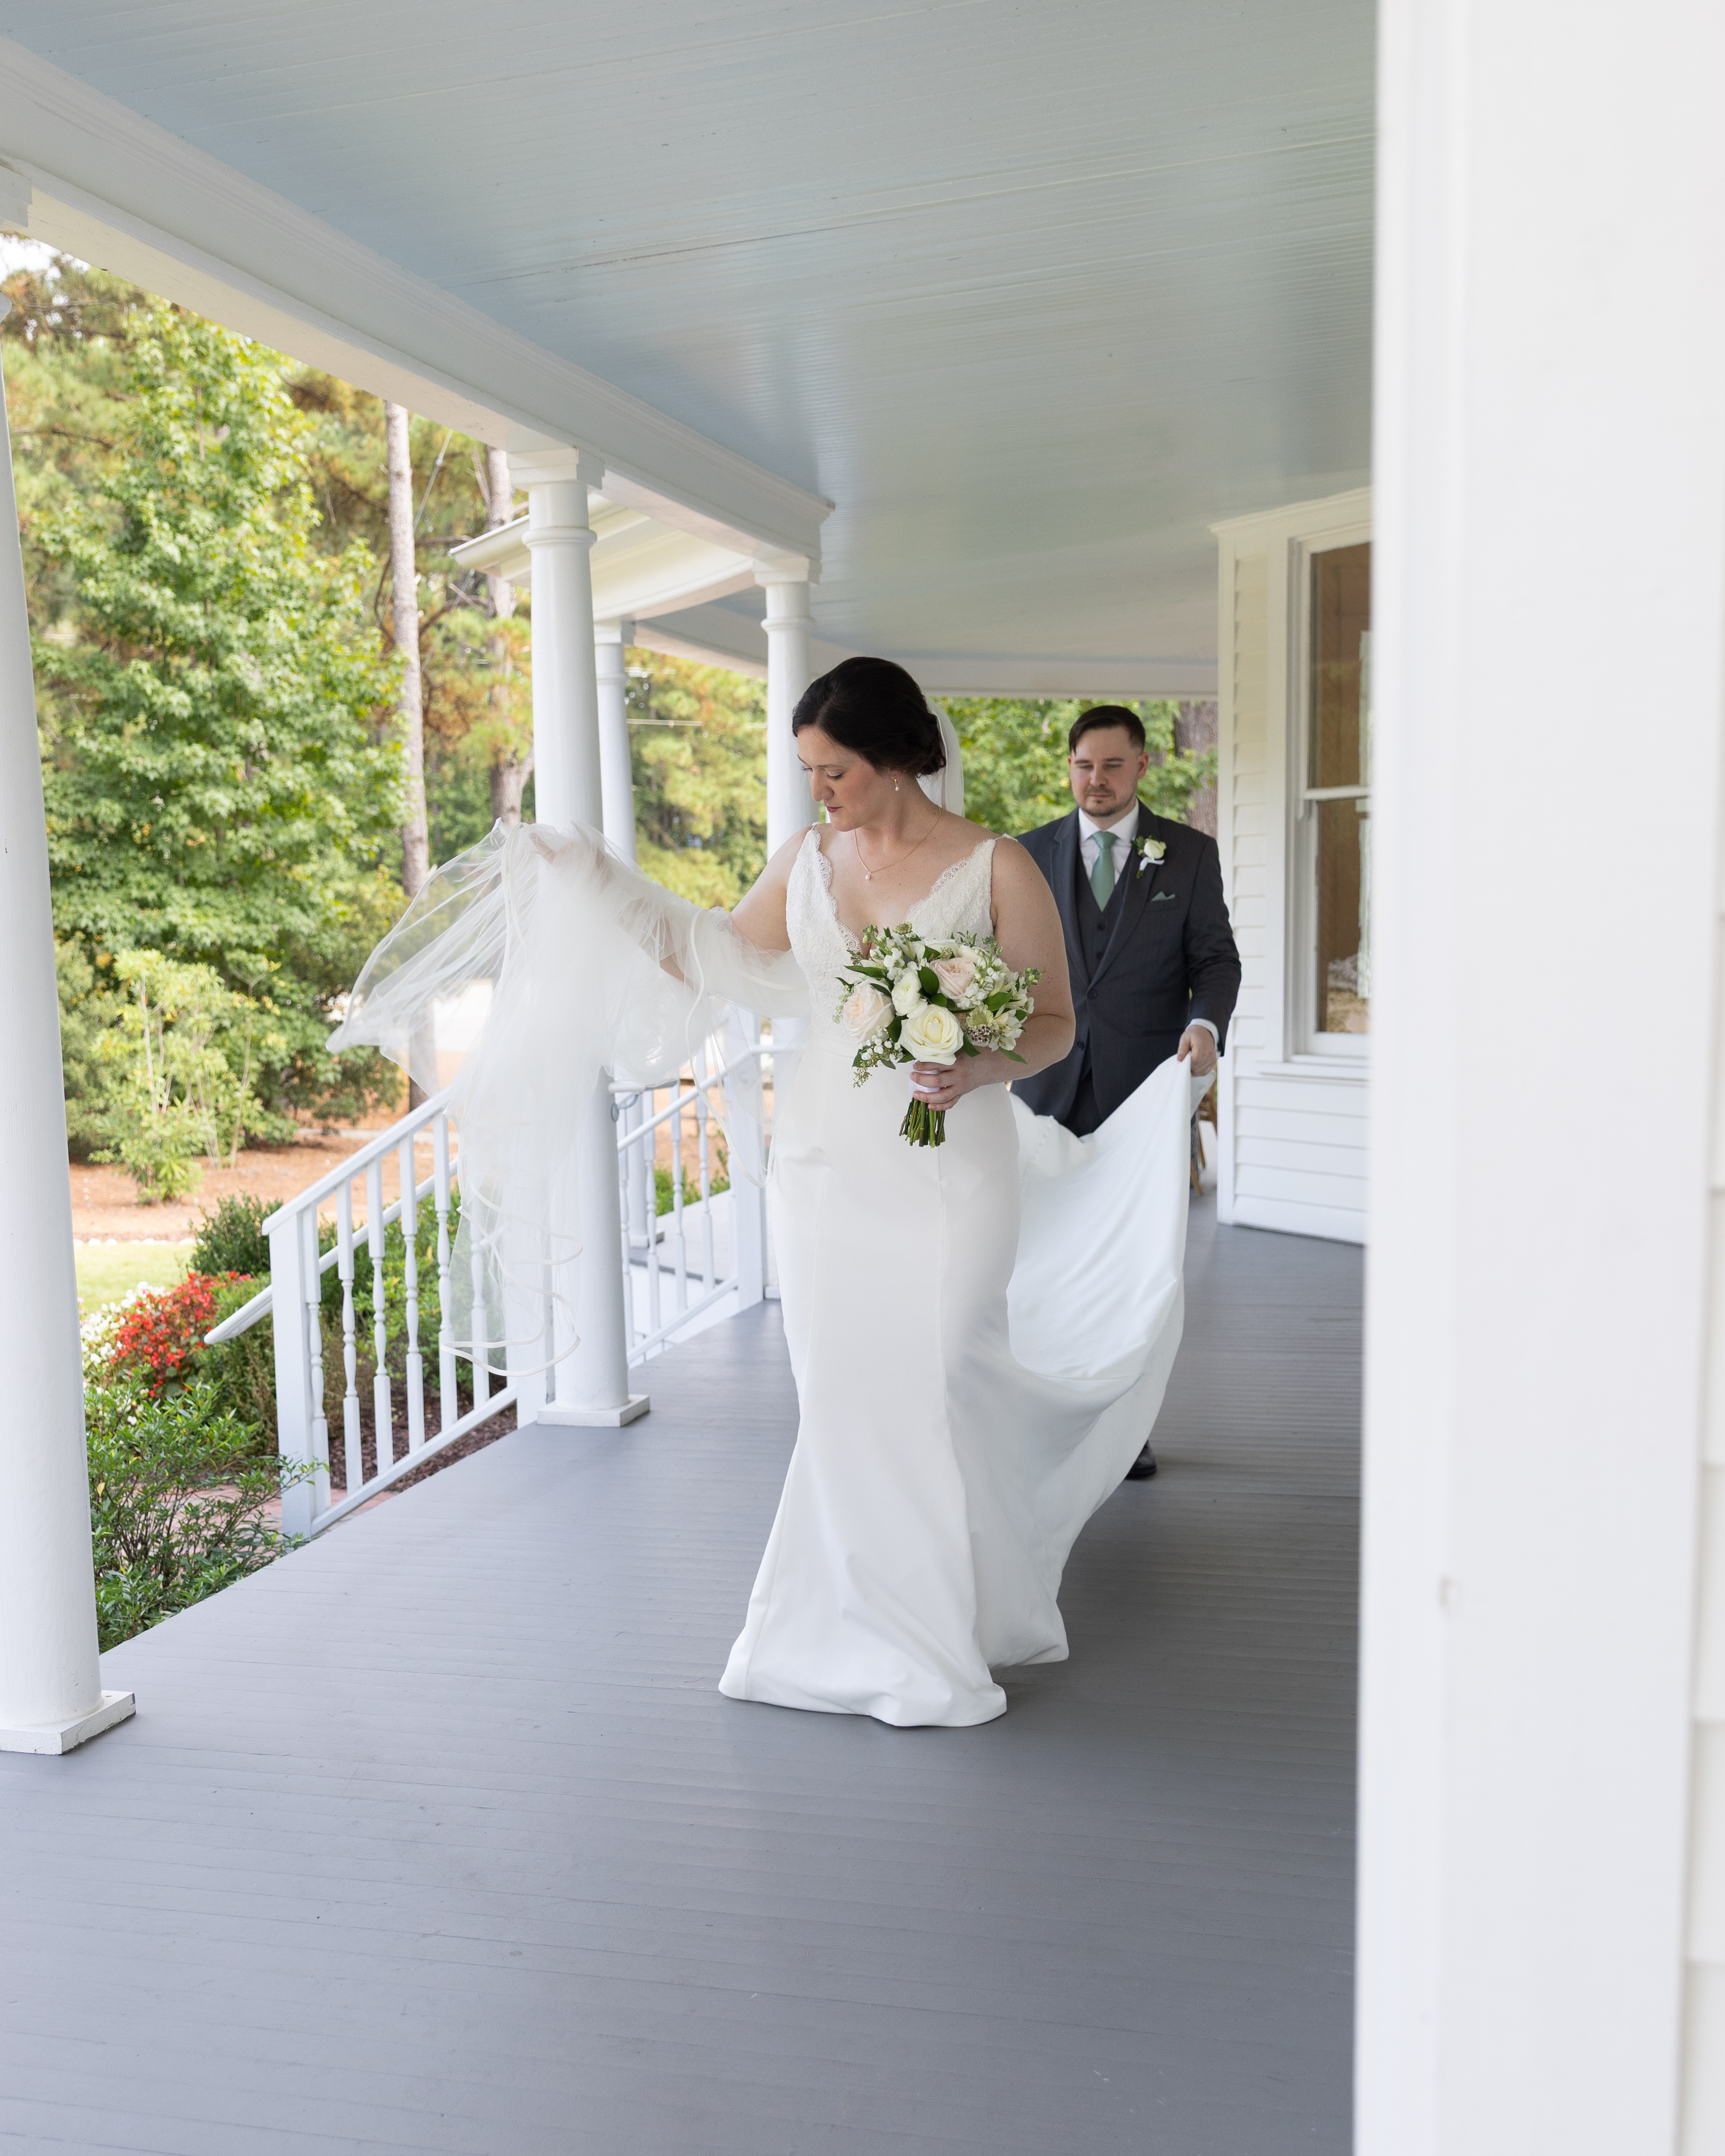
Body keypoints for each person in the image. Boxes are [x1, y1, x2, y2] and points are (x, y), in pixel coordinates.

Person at [334, 657, 1199, 1729]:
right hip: (830, 1164)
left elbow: (1055, 1021)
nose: (817, 791)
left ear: (893, 761)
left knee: (939, 1374)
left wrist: (974, 1061)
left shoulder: (995, 868)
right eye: (807, 770)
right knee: (846, 1395)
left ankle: (961, 1612)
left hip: (952, 1164)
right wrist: (595, 878)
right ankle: (849, 1631)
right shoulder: (804, 859)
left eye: (832, 770)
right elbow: (717, 957)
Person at [1011, 704, 1241, 1477]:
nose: (1096, 780)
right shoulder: (1025, 854)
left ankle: (1126, 1431)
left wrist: (1205, 1026)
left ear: (1143, 766)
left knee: (1133, 1269)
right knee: (1040, 1258)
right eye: (1083, 765)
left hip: (1143, 1099)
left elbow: (1216, 961)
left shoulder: (1189, 855)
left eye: (1112, 766)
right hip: (1040, 1093)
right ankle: (1037, 1414)